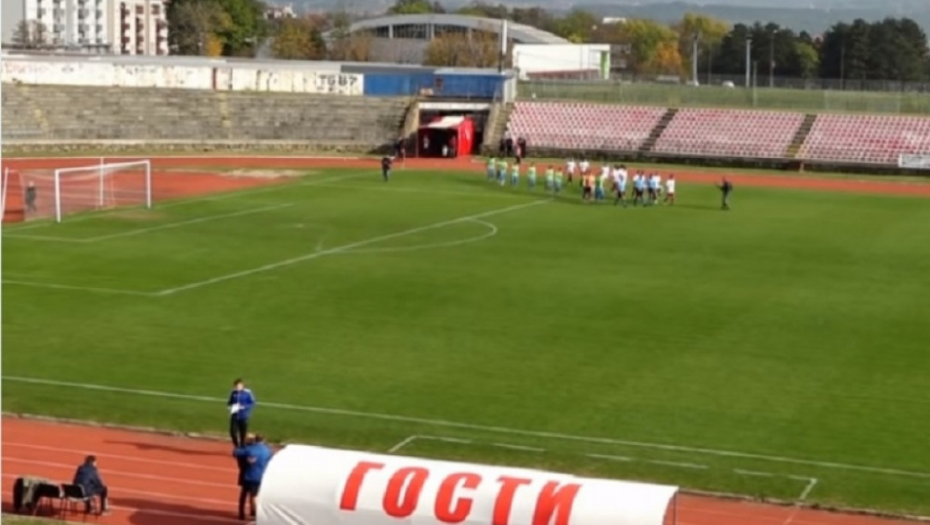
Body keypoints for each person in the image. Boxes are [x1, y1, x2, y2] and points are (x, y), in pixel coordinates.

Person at [233, 434, 274, 521]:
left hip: (249, 476)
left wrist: (245, 444)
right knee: (255, 495)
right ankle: (253, 512)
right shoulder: (267, 450)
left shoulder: (250, 449)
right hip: (261, 476)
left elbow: (236, 452)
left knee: (244, 495)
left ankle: (242, 513)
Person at [228, 379, 256, 448]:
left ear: (242, 386)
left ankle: (242, 447)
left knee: (242, 434)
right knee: (233, 432)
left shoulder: (247, 393)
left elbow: (252, 403)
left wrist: (244, 407)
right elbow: (229, 402)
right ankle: (237, 446)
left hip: (243, 415)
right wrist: (231, 407)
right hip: (234, 415)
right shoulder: (233, 393)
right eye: (236, 386)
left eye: (239, 386)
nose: (238, 387)